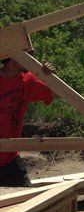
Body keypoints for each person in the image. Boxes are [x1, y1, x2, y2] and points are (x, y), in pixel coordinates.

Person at [0, 55, 57, 186]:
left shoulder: (28, 80)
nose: (31, 59)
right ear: (13, 60)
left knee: (29, 199)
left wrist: (49, 77)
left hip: (9, 159)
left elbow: (57, 94)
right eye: (26, 55)